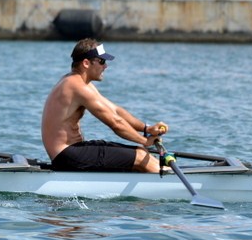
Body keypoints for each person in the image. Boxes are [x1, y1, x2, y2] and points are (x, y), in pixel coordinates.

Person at [41, 38, 168, 173]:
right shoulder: (77, 86)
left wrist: (146, 129)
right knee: (141, 157)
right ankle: (169, 179)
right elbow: (115, 123)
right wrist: (145, 141)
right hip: (66, 156)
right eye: (101, 61)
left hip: (74, 150)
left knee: (141, 151)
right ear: (86, 63)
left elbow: (115, 111)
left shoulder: (79, 83)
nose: (105, 66)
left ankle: (164, 173)